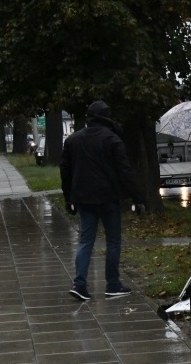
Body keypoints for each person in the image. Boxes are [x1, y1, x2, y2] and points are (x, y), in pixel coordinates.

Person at [60, 100, 145, 301]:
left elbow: (65, 171)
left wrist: (68, 198)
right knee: (113, 240)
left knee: (85, 240)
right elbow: (125, 171)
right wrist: (137, 197)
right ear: (107, 118)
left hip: (83, 198)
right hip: (109, 198)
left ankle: (79, 284)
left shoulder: (73, 140)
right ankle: (112, 285)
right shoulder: (112, 139)